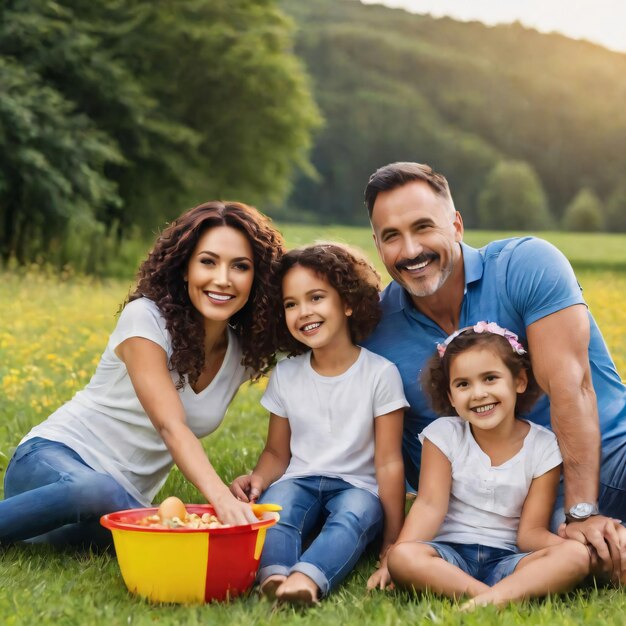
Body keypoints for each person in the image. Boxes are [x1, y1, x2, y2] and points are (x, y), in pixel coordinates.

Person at [362, 161, 626, 582]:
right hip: (523, 510)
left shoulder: (526, 265)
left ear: (456, 225)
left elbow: (570, 385)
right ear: (377, 245)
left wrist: (583, 511)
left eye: (423, 227)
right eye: (391, 236)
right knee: (592, 558)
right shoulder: (375, 331)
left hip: (611, 457)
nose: (410, 251)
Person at [0, 201, 283, 549]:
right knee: (99, 490)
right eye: (207, 262)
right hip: (52, 464)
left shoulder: (244, 353)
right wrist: (220, 498)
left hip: (120, 503)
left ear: (258, 279)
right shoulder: (145, 319)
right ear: (184, 269)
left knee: (165, 537)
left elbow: (319, 339)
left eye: (240, 266)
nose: (222, 279)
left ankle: (34, 536)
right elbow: (171, 425)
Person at [230, 244, 407, 604]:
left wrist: (393, 541)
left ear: (347, 302)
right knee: (280, 508)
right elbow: (276, 452)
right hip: (299, 480)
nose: (303, 312)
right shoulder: (287, 375)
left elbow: (389, 462)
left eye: (315, 298)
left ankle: (307, 580)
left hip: (357, 487)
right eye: (291, 304)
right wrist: (260, 479)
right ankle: (274, 574)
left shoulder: (380, 375)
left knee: (352, 517)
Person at [382, 322, 590, 607]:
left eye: (490, 378)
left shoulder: (543, 446)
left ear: (519, 381)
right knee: (403, 557)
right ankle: (492, 598)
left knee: (575, 556)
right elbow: (429, 505)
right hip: (449, 558)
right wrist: (393, 558)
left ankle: (491, 597)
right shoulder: (444, 435)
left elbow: (530, 534)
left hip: (509, 560)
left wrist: (574, 551)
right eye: (463, 384)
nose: (478, 393)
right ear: (451, 397)